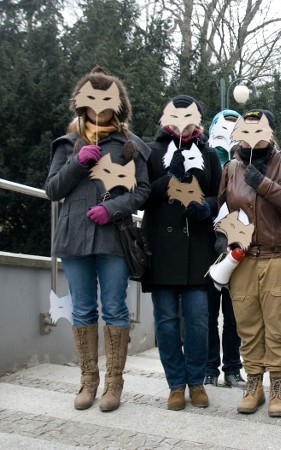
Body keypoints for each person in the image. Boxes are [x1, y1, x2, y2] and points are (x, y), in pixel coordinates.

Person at [44, 66, 151, 412]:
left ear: (118, 105)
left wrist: (114, 208)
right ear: (82, 103)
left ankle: (114, 384)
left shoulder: (130, 146)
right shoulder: (66, 144)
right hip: (74, 239)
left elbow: (144, 191)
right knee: (83, 308)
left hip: (112, 240)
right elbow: (52, 190)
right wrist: (77, 161)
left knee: (117, 308)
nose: (99, 108)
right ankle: (88, 381)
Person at [217, 109, 281, 417]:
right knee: (247, 325)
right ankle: (253, 384)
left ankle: (278, 385)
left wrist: (265, 185)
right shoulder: (231, 168)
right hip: (242, 258)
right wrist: (225, 236)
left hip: (279, 256)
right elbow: (223, 209)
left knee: (277, 326)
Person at [141, 95, 222, 411]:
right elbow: (141, 196)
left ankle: (197, 381)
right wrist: (167, 178)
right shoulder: (151, 151)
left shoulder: (209, 154)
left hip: (197, 250)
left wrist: (205, 208)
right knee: (166, 323)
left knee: (200, 320)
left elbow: (221, 198)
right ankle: (176, 384)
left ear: (199, 121)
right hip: (161, 250)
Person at [204, 109, 245, 388]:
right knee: (208, 311)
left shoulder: (244, 161)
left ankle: (233, 367)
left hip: (236, 242)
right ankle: (210, 367)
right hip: (206, 242)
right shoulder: (203, 157)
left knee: (234, 312)